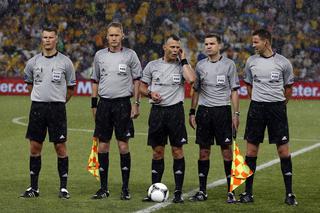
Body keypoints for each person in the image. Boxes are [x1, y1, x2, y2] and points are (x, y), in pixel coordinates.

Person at [239, 29, 297, 206]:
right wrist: (258, 101)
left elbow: (288, 88)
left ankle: (289, 194)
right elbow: (248, 85)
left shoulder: (283, 63)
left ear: (266, 42)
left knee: (283, 151)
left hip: (277, 110)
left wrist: (278, 105)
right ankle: (248, 193)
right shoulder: (251, 61)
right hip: (256, 109)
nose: (253, 45)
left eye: (256, 42)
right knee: (251, 152)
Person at [20, 25, 76, 199]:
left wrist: (58, 100)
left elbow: (71, 88)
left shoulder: (66, 62)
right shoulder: (33, 62)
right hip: (37, 108)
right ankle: (34, 188)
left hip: (57, 108)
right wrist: (40, 97)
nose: (48, 40)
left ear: (56, 39)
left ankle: (64, 188)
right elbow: (29, 84)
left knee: (60, 147)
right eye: (45, 37)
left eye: (51, 37)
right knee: (35, 147)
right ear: (41, 39)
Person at [139, 34, 196, 203]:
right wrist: (150, 93)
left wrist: (184, 60)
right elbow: (141, 87)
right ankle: (154, 189)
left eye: (178, 47)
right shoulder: (152, 65)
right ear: (164, 47)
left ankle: (178, 193)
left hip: (175, 112)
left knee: (177, 151)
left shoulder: (182, 66)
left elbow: (192, 79)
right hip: (157, 112)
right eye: (172, 47)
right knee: (157, 152)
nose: (175, 50)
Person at [90, 22, 142, 200]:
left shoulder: (130, 55)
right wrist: (93, 104)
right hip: (104, 104)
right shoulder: (99, 56)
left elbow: (137, 81)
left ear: (122, 36)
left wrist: (136, 103)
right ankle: (103, 188)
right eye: (111, 35)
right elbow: (95, 80)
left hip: (123, 104)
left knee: (122, 145)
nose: (114, 38)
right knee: (103, 146)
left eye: (117, 35)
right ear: (107, 37)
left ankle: (125, 188)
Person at [188, 34, 240, 203]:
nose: (208, 46)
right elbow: (196, 90)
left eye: (212, 43)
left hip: (222, 112)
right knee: (203, 151)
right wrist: (192, 112)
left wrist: (235, 114)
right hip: (204, 112)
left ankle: (231, 191)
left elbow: (234, 91)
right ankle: (202, 191)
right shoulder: (200, 65)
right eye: (206, 44)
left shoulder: (229, 65)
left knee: (226, 151)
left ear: (219, 45)